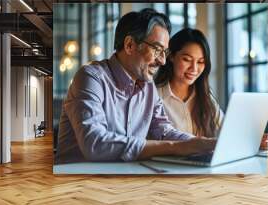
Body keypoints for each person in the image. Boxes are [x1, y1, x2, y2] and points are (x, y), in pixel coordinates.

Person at [55, 9, 216, 164]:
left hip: (121, 180)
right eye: (157, 49)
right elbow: (95, 143)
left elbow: (163, 132)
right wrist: (175, 147)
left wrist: (203, 144)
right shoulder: (90, 77)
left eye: (164, 52)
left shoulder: (148, 86)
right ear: (130, 45)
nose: (162, 61)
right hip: (77, 183)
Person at [154, 28, 223, 137]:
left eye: (201, 62)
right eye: (187, 59)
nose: (194, 68)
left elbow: (227, 130)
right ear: (171, 56)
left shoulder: (205, 96)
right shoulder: (155, 96)